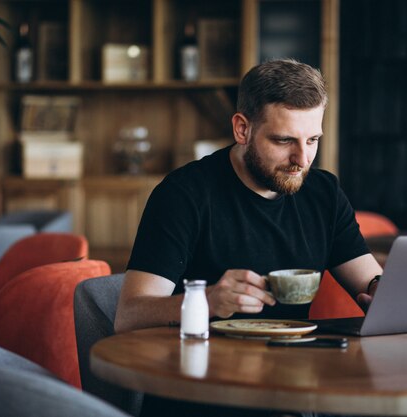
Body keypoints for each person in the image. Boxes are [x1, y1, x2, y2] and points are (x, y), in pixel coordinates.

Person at [114, 59, 383, 416]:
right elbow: (128, 315)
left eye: (313, 140)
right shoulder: (184, 194)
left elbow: (370, 281)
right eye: (284, 140)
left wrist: (385, 292)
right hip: (199, 397)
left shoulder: (324, 193)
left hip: (291, 393)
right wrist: (206, 301)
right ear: (242, 129)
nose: (302, 159)